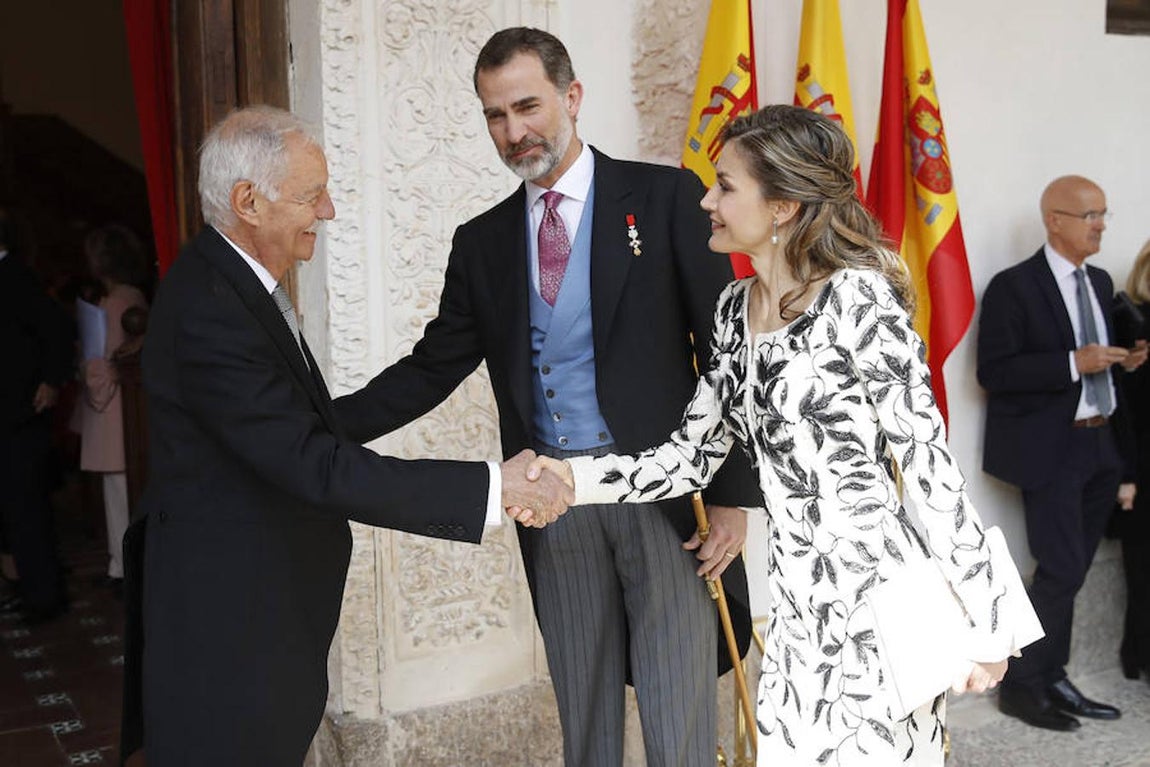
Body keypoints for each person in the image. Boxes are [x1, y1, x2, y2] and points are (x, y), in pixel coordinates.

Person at [530, 105, 1031, 766]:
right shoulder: (733, 310)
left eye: (725, 186)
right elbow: (690, 459)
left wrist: (990, 621)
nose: (707, 201)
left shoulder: (858, 301)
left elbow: (928, 467)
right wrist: (572, 478)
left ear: (783, 207)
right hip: (796, 615)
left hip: (882, 609)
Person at [332, 27, 762, 767]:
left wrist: (731, 496)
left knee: (678, 711)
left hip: (666, 501)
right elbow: (431, 368)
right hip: (551, 501)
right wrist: (318, 424)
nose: (513, 132)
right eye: (495, 115)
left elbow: (728, 352)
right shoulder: (482, 241)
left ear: (572, 96)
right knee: (583, 714)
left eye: (527, 106)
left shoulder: (664, 198)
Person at [131, 106, 571, 766]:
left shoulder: (231, 284)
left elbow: (295, 426)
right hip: (226, 629)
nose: (328, 211)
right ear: (248, 202)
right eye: (311, 195)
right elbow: (312, 461)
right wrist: (490, 486)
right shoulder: (210, 309)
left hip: (257, 614)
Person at [978, 175, 1145, 730]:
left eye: (1103, 215)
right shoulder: (1014, 287)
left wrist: (1121, 362)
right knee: (1062, 568)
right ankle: (1022, 686)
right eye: (1089, 215)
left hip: (1100, 443)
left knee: (1070, 571)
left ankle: (1052, 676)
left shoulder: (1099, 281)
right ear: (1054, 220)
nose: (1100, 226)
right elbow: (995, 372)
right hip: (1050, 448)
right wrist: (1075, 363)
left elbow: (1098, 357)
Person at [0, 207, 71, 624]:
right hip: (10, 413)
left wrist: (51, 379)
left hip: (21, 413)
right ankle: (27, 587)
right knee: (14, 509)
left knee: (25, 508)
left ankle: (44, 598)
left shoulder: (15, 276)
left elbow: (56, 328)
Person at [77, 224, 149, 593]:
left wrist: (86, 367)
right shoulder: (133, 295)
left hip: (115, 405)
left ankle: (123, 567)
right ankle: (120, 564)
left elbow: (104, 364)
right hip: (125, 402)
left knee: (119, 489)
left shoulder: (114, 302)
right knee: (120, 489)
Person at [1116, 238, 1150, 685]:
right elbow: (1125, 406)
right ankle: (1137, 653)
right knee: (1142, 572)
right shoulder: (1131, 318)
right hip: (1141, 467)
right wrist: (1128, 476)